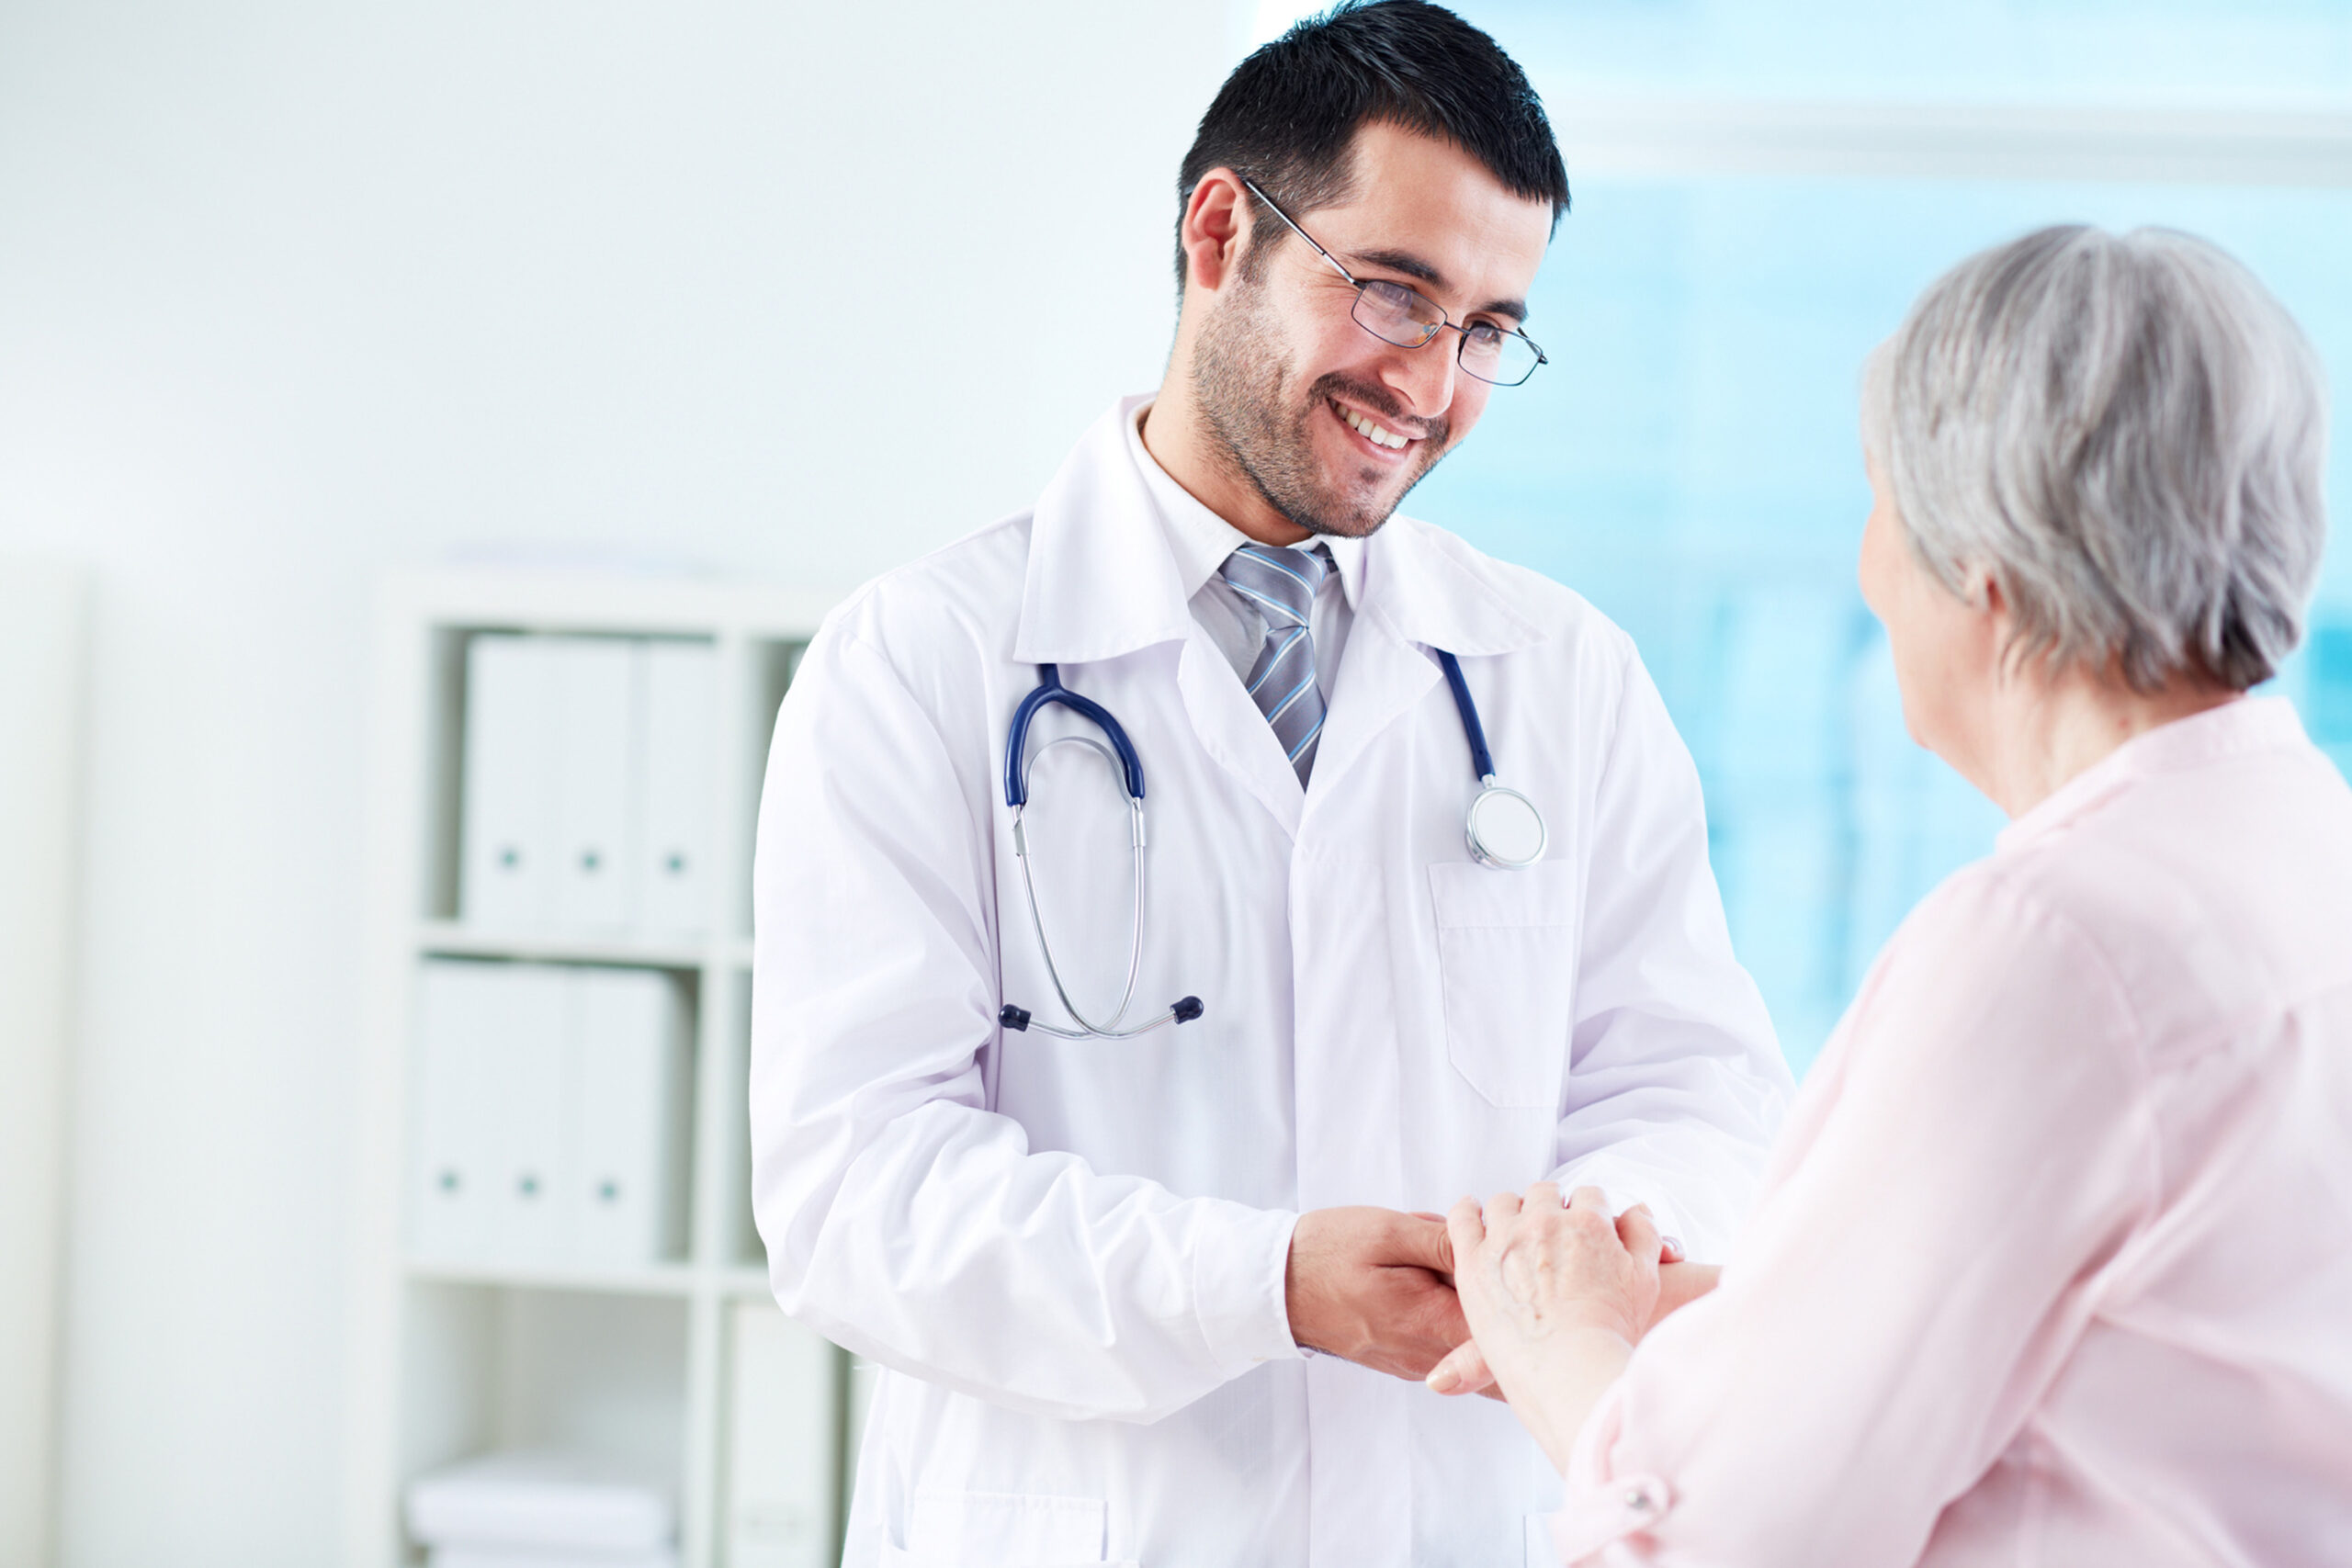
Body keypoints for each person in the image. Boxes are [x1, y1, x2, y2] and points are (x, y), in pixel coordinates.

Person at [748, 5, 1791, 1563]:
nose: (1434, 385)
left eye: (1490, 328)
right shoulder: (921, 662)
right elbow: (857, 1196)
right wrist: (1264, 1285)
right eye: (1396, 293)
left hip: (1461, 1516)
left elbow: (1699, 1094)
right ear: (1222, 230)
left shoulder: (1559, 677)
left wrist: (1579, 1251)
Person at [1434, 222, 2352, 1566]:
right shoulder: (2300, 852)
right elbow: (2157, 1352)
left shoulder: (2057, 942)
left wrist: (1555, 1340)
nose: (1868, 571)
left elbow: (1714, 1538)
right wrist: (1764, 1315)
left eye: (1878, 505)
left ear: (1984, 565)